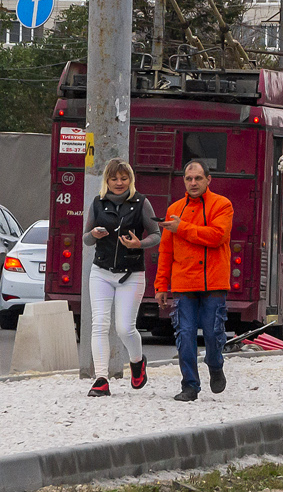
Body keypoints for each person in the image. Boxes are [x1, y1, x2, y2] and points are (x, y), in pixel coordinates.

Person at [156, 160, 234, 402]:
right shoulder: (174, 209)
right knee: (185, 335)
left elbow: (217, 236)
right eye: (189, 179)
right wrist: (161, 285)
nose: (193, 183)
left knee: (213, 333)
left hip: (213, 282)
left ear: (208, 180)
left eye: (198, 178)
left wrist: (182, 228)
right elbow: (165, 251)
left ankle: (215, 364)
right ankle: (190, 385)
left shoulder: (222, 204)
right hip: (183, 283)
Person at [83, 159, 161, 396]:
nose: (119, 183)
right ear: (107, 180)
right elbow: (86, 238)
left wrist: (140, 243)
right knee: (99, 324)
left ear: (130, 180)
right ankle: (101, 379)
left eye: (123, 178)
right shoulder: (98, 203)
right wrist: (94, 234)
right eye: (114, 178)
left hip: (131, 273)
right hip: (101, 272)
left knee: (124, 328)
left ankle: (137, 362)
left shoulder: (141, 203)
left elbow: (156, 234)